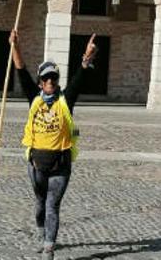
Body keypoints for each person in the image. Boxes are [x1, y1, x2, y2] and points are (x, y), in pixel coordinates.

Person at [10, 29, 98, 260]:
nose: (50, 82)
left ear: (58, 81)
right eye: (46, 78)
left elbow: (80, 78)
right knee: (40, 203)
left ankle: (49, 247)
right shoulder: (34, 98)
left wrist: (87, 58)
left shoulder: (65, 101)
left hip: (60, 164)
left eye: (54, 78)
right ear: (40, 82)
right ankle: (43, 233)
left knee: (52, 205)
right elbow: (21, 71)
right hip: (36, 163)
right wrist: (15, 46)